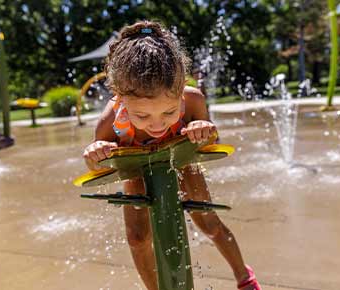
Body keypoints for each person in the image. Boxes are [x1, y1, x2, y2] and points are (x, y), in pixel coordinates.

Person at [82, 20, 261, 290]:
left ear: (180, 92)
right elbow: (100, 170)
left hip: (183, 161)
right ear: (120, 98)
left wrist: (203, 130)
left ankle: (243, 277)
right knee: (137, 238)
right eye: (142, 115)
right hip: (136, 169)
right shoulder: (110, 120)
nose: (157, 124)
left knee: (209, 223)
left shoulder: (194, 100)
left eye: (169, 112)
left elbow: (212, 143)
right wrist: (95, 154)